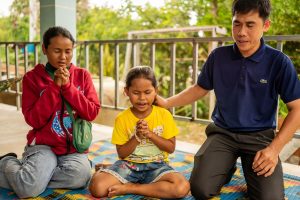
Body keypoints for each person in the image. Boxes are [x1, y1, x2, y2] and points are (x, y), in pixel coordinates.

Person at [156, 0, 300, 199]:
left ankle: (249, 169)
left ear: (265, 25)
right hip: (222, 134)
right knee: (200, 189)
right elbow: (200, 88)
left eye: (250, 25)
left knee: (270, 198)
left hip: (259, 137)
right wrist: (166, 103)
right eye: (236, 23)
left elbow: (297, 109)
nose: (241, 32)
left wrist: (274, 150)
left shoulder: (279, 62)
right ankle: (226, 164)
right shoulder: (218, 56)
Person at [0, 26, 100, 198]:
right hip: (43, 147)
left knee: (81, 177)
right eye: (57, 51)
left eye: (68, 51)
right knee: (28, 190)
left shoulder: (83, 76)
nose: (63, 57)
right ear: (45, 49)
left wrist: (68, 87)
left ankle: (33, 175)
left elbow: (91, 112)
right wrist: (54, 87)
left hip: (73, 148)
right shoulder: (32, 78)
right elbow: (34, 120)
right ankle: (6, 162)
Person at [88, 66, 190, 198]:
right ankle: (109, 170)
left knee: (182, 187)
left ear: (155, 92)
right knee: (97, 188)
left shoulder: (164, 115)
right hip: (129, 165)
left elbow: (170, 148)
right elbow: (122, 154)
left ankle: (133, 187)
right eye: (136, 92)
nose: (142, 98)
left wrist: (150, 135)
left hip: (157, 166)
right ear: (127, 91)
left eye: (147, 92)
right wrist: (137, 137)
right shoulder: (122, 119)